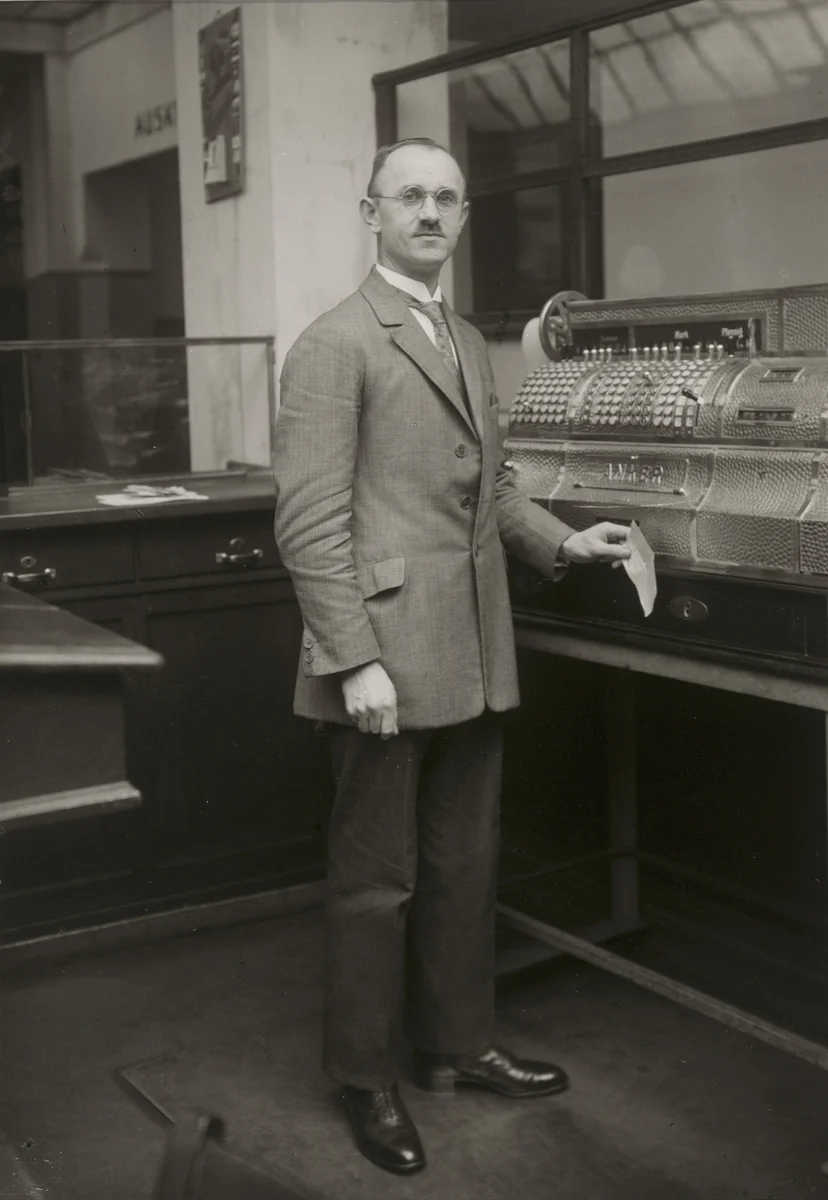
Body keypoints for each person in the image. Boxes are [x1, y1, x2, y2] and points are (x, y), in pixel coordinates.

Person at [272, 136, 630, 1176]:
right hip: (382, 659)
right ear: (371, 213)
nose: (429, 212)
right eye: (409, 197)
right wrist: (353, 658)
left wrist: (563, 540)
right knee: (375, 885)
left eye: (446, 198)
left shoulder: (469, 340)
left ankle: (456, 1046)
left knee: (466, 871)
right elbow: (308, 521)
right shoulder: (337, 344)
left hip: (472, 651)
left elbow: (497, 489)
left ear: (463, 218)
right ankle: (364, 1079)